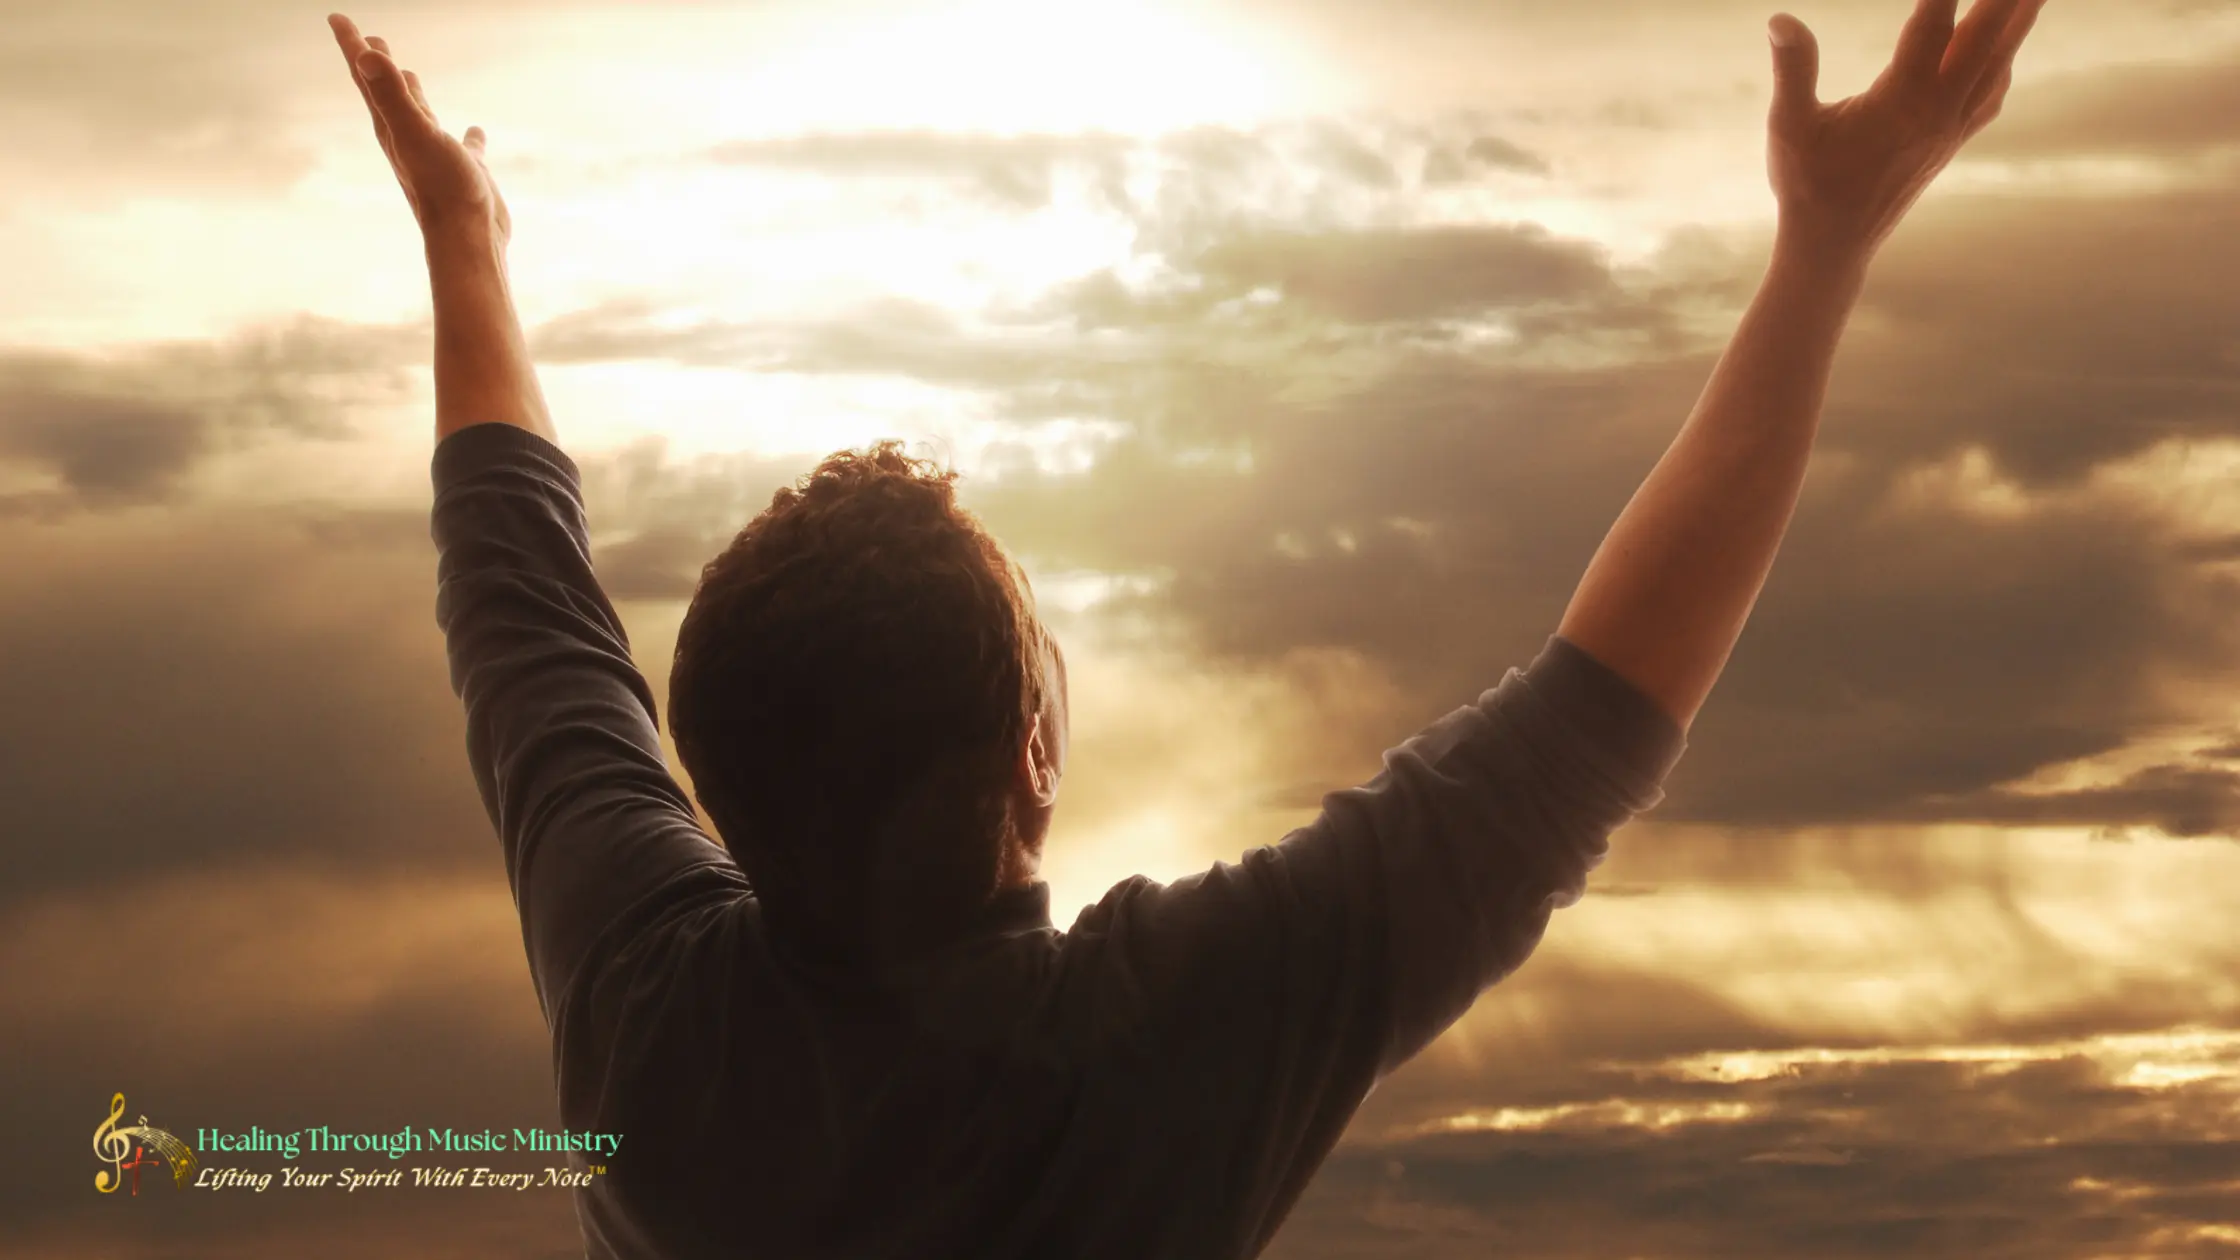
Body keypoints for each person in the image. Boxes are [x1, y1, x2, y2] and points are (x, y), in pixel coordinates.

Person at [327, 1, 2046, 1255]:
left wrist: (464, 244)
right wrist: (1825, 247)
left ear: (716, 789)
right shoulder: (1157, 1050)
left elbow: (521, 605)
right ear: (1035, 753)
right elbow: (1593, 718)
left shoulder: (649, 1020)